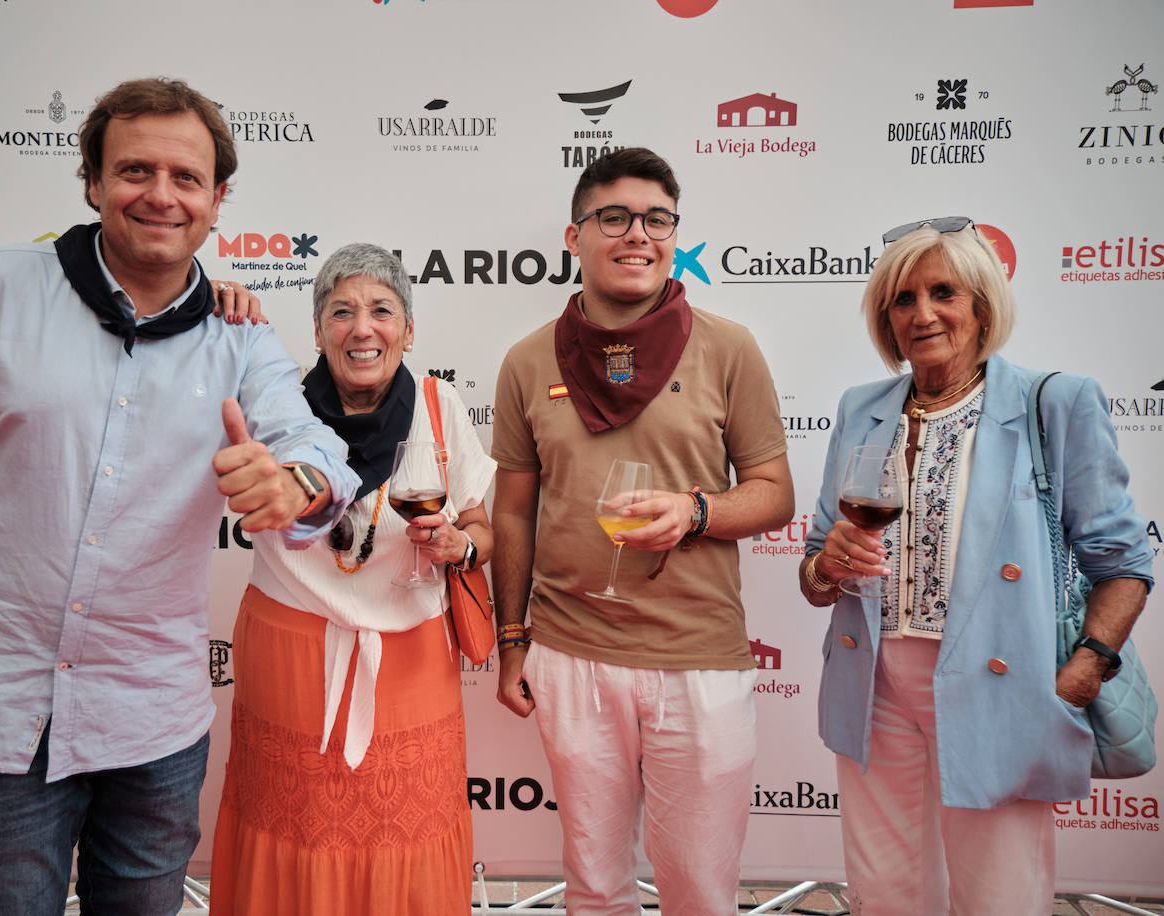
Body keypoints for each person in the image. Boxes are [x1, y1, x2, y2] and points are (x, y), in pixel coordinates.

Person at [0, 77, 358, 916]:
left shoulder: (241, 336)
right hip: (1, 708)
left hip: (154, 722)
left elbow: (311, 444)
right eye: (135, 170)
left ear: (218, 200)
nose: (160, 194)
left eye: (186, 178)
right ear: (94, 183)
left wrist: (300, 481)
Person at [797, 217, 1153, 914]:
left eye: (943, 292)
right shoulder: (861, 408)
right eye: (903, 299)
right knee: (885, 886)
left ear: (982, 306)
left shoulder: (1055, 401)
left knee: (1000, 891)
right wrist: (825, 567)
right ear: (885, 316)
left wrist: (1089, 663)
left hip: (1005, 682)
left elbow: (1123, 561)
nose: (922, 313)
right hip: (874, 683)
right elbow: (815, 564)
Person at [490, 148, 794, 915]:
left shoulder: (730, 348)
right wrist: (513, 641)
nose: (639, 235)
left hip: (697, 661)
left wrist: (697, 513)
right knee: (594, 885)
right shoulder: (527, 362)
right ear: (575, 235)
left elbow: (775, 495)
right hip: (570, 654)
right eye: (615, 217)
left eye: (658, 219)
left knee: (699, 889)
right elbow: (515, 511)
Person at [209, 242, 495, 916]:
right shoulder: (275, 407)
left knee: (409, 834)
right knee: (292, 834)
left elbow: (486, 529)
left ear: (409, 329)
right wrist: (202, 300)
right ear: (316, 332)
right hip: (291, 661)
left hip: (413, 664)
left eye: (381, 311)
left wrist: (459, 544)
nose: (361, 329)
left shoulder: (440, 405)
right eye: (341, 312)